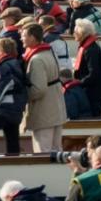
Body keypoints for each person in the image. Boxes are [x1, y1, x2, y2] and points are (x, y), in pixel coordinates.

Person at [20, 22, 67, 153]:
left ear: (33, 38)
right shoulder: (50, 51)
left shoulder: (36, 59)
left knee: (43, 151)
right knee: (57, 150)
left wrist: (22, 96)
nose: (21, 38)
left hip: (44, 112)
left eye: (24, 35)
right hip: (56, 108)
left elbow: (38, 90)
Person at [73, 20, 101, 117]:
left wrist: (79, 83)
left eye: (75, 32)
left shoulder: (90, 49)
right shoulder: (87, 46)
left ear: (82, 33)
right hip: (90, 90)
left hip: (93, 92)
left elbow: (94, 73)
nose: (73, 34)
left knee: (93, 118)